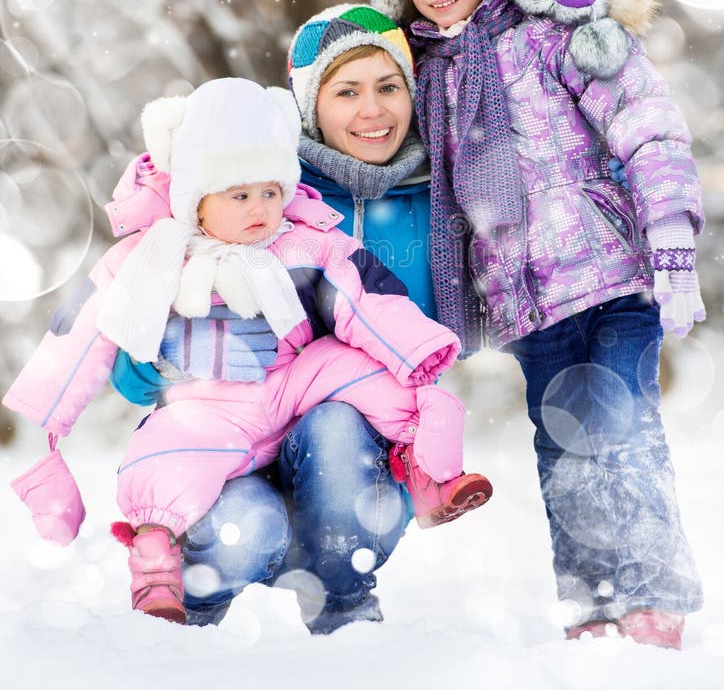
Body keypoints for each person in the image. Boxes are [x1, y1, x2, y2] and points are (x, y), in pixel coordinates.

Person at [355, 0, 706, 649]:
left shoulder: (552, 33)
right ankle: (593, 605)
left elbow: (645, 123)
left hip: (612, 274)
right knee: (566, 446)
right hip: (524, 300)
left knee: (619, 425)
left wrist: (672, 238)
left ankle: (653, 599)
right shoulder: (424, 74)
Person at [4, 77, 491, 626]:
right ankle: (161, 565)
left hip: (291, 389)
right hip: (208, 408)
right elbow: (77, 337)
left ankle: (426, 467)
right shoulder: (150, 256)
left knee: (379, 378)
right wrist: (48, 438)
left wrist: (418, 352)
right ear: (197, 201)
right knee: (167, 454)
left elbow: (366, 293)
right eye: (239, 195)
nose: (260, 208)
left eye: (269, 190)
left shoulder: (301, 240)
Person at [108, 8, 442, 633]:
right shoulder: (260, 184)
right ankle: (189, 613)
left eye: (388, 87)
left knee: (337, 428)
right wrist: (164, 358)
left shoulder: (438, 197)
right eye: (347, 92)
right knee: (243, 532)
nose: (372, 110)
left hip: (349, 445)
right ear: (308, 109)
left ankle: (344, 607)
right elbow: (125, 353)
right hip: (224, 443)